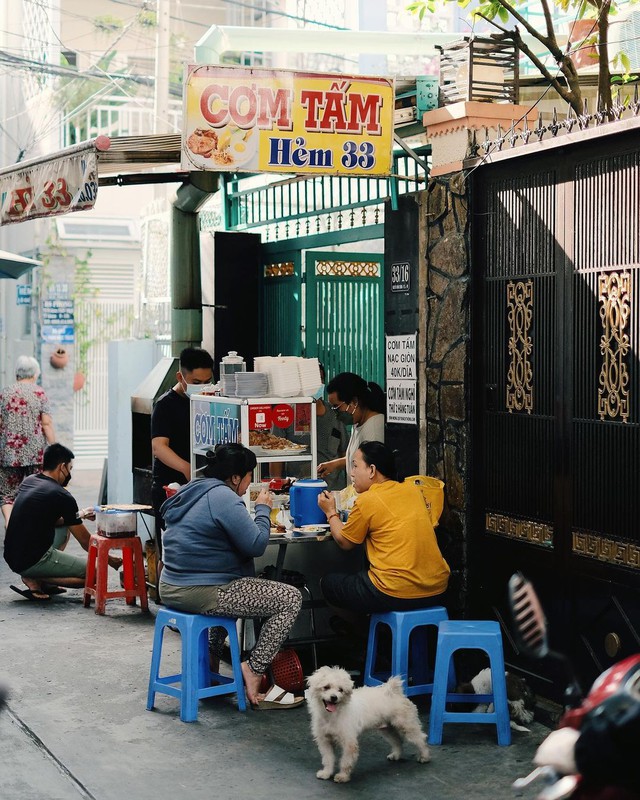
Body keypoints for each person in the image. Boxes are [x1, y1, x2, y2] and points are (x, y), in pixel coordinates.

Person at [159, 443, 303, 708]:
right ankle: (254, 669)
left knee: (244, 588)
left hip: (171, 585)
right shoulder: (223, 497)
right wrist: (262, 509)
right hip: (200, 590)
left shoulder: (193, 488)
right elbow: (256, 545)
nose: (250, 484)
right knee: (289, 598)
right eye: (249, 476)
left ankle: (210, 666)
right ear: (236, 477)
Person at [317, 441, 450, 615]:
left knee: (328, 584)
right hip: (437, 588)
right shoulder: (413, 490)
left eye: (355, 466)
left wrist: (330, 512)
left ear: (372, 470)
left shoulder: (368, 500)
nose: (352, 473)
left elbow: (345, 542)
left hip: (393, 591)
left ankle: (359, 632)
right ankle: (376, 631)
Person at [3, 443, 121, 601]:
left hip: (12, 555)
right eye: (70, 469)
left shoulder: (30, 481)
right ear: (62, 467)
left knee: (66, 526)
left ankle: (37, 574)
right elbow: (86, 543)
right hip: (32, 559)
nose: (69, 474)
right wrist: (111, 559)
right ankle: (35, 576)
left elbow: (47, 518)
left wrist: (81, 514)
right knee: (96, 575)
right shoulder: (61, 495)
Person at [150, 346, 214, 554]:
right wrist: (187, 468)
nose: (202, 387)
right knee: (172, 551)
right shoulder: (165, 405)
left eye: (207, 382)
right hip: (171, 488)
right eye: (196, 383)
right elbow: (159, 447)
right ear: (181, 376)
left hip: (204, 487)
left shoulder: (212, 400)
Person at [270, 364, 348, 491]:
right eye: (311, 381)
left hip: (334, 491)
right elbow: (276, 458)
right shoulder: (285, 414)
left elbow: (345, 454)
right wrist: (276, 489)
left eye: (320, 379)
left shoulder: (335, 413)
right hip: (299, 490)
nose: (316, 385)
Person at [0, 356, 56, 525]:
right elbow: (46, 423)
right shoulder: (39, 393)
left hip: (9, 452)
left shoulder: (5, 393)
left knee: (7, 494)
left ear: (17, 373)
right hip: (34, 452)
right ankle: (32, 528)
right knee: (36, 490)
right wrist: (55, 447)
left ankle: (11, 526)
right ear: (35, 373)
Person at [317, 372, 385, 483]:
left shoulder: (374, 430)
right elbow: (358, 459)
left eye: (336, 407)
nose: (335, 414)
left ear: (354, 402)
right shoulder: (357, 423)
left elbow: (373, 476)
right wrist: (334, 464)